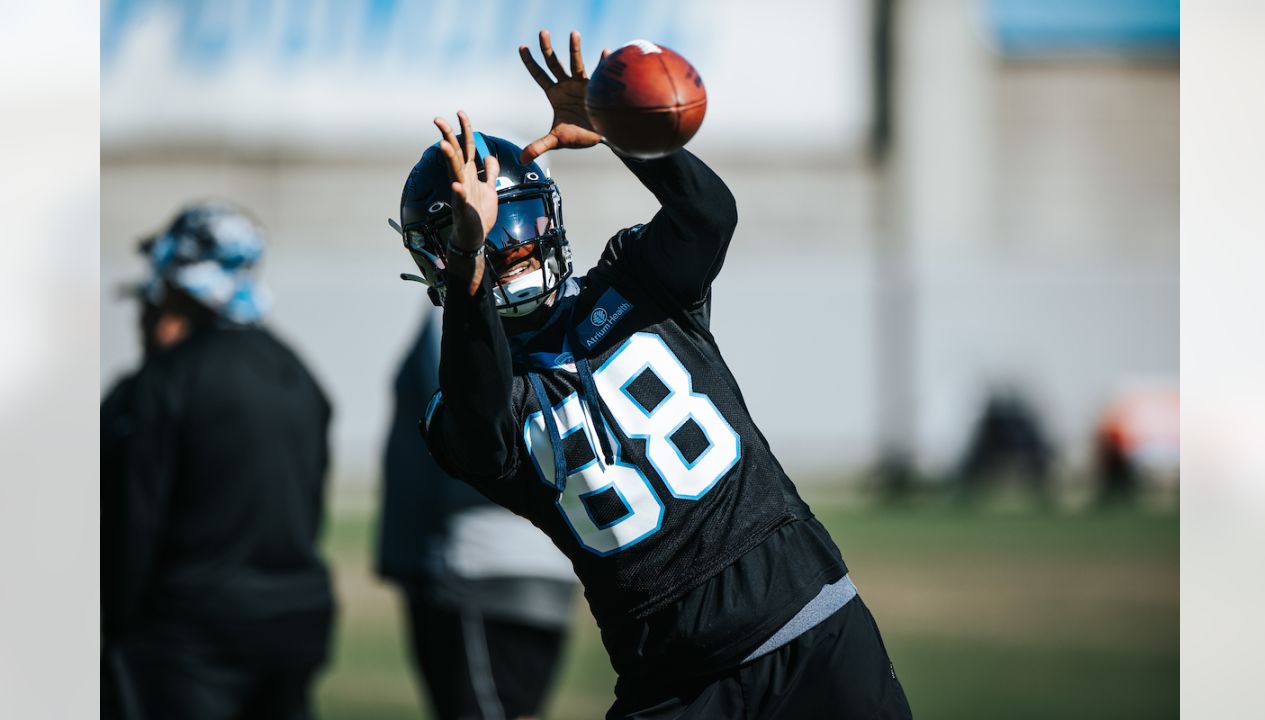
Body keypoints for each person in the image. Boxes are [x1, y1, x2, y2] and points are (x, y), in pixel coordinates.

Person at [398, 30, 913, 719]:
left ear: (550, 214)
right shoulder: (461, 406)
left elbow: (708, 216)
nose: (511, 246)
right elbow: (481, 409)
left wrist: (622, 132)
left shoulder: (634, 281)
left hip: (806, 618)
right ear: (442, 260)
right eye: (488, 233)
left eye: (517, 222)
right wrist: (469, 263)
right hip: (673, 675)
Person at [101, 202, 335, 720]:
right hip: (294, 623)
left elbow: (131, 526)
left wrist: (113, 626)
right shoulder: (296, 374)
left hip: (191, 638)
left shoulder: (161, 386)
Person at [376, 310, 578, 720]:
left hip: (479, 566)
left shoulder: (460, 309)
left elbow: (469, 426)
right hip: (549, 558)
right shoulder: (559, 304)